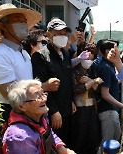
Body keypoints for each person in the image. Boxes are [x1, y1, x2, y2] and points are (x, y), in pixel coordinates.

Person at [31, 18, 81, 148]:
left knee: (68, 143)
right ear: (48, 34)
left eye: (64, 34)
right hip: (54, 113)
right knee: (56, 146)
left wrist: (70, 100)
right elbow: (42, 87)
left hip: (67, 109)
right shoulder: (40, 56)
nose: (63, 37)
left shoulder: (65, 54)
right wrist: (53, 111)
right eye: (59, 33)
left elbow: (67, 80)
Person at [0, 3, 41, 121]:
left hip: (28, 111)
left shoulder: (24, 53)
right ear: (3, 26)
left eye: (24, 21)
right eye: (17, 20)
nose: (23, 24)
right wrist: (43, 87)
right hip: (11, 116)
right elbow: (9, 93)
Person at [2, 79, 75, 154]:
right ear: (21, 106)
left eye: (43, 93)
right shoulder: (19, 136)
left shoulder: (38, 117)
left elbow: (48, 132)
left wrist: (61, 148)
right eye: (37, 96)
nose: (44, 99)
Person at [91, 39, 123, 153]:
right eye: (116, 49)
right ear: (107, 51)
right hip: (108, 111)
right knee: (107, 144)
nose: (118, 52)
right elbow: (105, 94)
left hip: (110, 110)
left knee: (116, 137)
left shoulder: (108, 65)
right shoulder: (105, 67)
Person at [71, 43, 103, 154]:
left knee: (92, 138)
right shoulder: (74, 69)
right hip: (79, 110)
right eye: (87, 54)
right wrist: (93, 82)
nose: (89, 57)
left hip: (92, 108)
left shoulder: (92, 69)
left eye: (92, 55)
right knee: (79, 139)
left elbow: (98, 88)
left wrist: (90, 81)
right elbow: (77, 89)